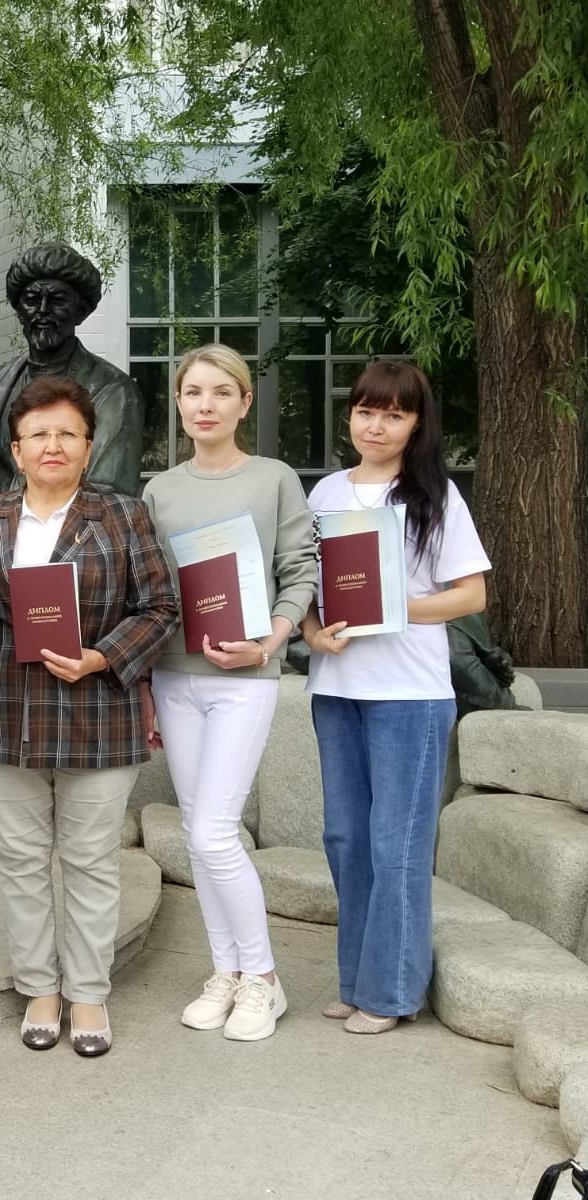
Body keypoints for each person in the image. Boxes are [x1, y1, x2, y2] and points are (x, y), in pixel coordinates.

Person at [0, 374, 177, 1057]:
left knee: (90, 861)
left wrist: (101, 656)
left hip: (97, 709)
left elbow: (161, 607)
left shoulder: (123, 516)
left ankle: (87, 992)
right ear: (16, 449)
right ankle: (39, 988)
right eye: (38, 434)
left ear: (89, 446)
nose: (52, 445)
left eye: (67, 433)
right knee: (20, 860)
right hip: (4, 710)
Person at [301, 360, 489, 1035]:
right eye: (366, 411)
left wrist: (394, 605)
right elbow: (305, 586)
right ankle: (356, 981)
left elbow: (471, 595)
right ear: (350, 415)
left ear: (415, 424)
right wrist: (312, 632)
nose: (376, 425)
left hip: (409, 692)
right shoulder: (325, 493)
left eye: (393, 414)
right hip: (336, 689)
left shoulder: (434, 496)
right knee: (346, 839)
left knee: (397, 844)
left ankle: (392, 992)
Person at [141, 344, 317, 1042]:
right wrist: (145, 683)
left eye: (221, 392)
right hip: (174, 676)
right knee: (196, 832)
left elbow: (299, 571)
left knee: (214, 832)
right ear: (178, 403)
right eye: (193, 392)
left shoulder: (274, 480)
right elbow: (151, 590)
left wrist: (269, 642)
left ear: (245, 403)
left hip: (245, 677)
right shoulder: (159, 490)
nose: (205, 405)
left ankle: (265, 980)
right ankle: (226, 971)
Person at [0, 242, 145, 501]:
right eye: (31, 300)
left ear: (80, 312)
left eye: (57, 300)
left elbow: (108, 493)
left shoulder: (114, 391)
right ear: (19, 310)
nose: (42, 311)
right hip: (1, 526)